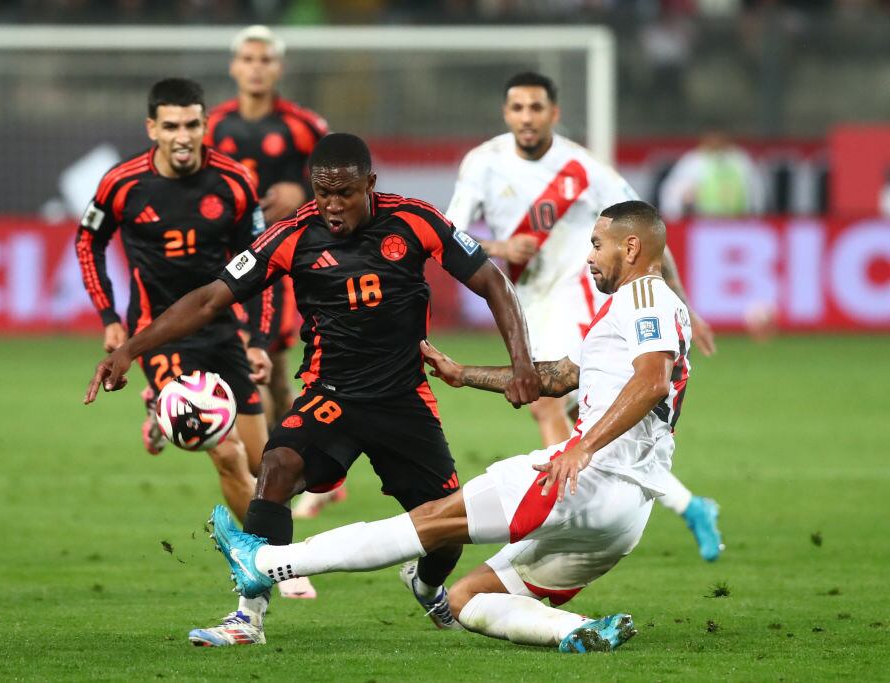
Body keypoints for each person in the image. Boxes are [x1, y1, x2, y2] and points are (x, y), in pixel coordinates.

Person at [84, 132, 542, 647]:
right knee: (276, 467)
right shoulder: (292, 235)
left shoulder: (416, 220)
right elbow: (211, 298)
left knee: (448, 529)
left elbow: (492, 283)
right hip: (333, 396)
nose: (331, 205)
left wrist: (520, 364)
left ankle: (426, 583)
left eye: (344, 192)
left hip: (404, 400)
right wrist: (131, 348)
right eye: (322, 193)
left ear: (370, 184)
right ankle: (246, 618)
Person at [208, 200, 688, 653]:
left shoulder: (644, 295)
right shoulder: (628, 311)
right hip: (625, 515)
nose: (589, 257)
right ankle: (580, 630)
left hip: (586, 477)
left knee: (430, 523)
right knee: (465, 599)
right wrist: (464, 375)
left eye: (597, 244)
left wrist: (583, 449)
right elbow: (559, 377)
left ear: (631, 248)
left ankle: (265, 562)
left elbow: (651, 381)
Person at [445, 72, 722, 561]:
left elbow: (644, 230)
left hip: (578, 296)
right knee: (579, 409)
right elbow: (451, 234)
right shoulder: (483, 164)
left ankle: (555, 505)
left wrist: (683, 301)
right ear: (506, 114)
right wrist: (501, 246)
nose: (526, 118)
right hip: (524, 300)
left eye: (536, 108)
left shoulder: (582, 168)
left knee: (545, 401)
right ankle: (689, 504)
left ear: (554, 113)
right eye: (517, 108)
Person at [75, 77, 270, 527]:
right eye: (170, 126)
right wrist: (108, 316)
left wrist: (256, 339)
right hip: (156, 333)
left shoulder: (235, 181)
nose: (181, 135)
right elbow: (88, 242)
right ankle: (274, 562)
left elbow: (261, 265)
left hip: (222, 328)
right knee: (226, 451)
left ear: (205, 125)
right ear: (152, 128)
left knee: (264, 464)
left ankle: (159, 411)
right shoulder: (122, 184)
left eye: (190, 124)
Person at [206, 25, 340, 522]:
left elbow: (344, 182)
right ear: (234, 66)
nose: (256, 66)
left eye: (265, 59)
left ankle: (294, 464)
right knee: (265, 364)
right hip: (233, 259)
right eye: (248, 58)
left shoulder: (305, 126)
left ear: (277, 68)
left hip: (289, 260)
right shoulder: (213, 126)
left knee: (276, 367)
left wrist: (302, 198)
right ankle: (295, 466)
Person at [658, 128, 765, 220]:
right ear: (703, 139)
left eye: (719, 139)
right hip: (703, 222)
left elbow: (757, 192)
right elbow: (671, 195)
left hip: (739, 222)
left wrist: (757, 215)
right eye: (712, 138)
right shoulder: (692, 161)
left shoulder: (741, 160)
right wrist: (681, 203)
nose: (716, 142)